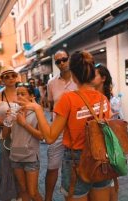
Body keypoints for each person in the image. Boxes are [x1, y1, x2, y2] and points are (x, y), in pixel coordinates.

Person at [16, 50, 112, 201]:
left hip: (77, 159)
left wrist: (38, 109)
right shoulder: (103, 99)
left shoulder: (68, 99)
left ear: (73, 74)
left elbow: (49, 137)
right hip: (101, 158)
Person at [45, 49, 77, 201]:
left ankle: (76, 195)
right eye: (58, 61)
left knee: (76, 165)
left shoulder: (79, 80)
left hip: (77, 130)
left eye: (64, 59)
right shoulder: (51, 83)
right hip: (58, 129)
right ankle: (48, 198)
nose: (62, 63)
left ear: (69, 59)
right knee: (52, 166)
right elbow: (51, 103)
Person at [3, 82, 44, 201]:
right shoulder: (13, 111)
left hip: (31, 156)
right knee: (23, 190)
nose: (20, 96)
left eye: (23, 94)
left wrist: (24, 124)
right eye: (18, 94)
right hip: (16, 155)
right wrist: (7, 121)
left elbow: (42, 136)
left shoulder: (37, 112)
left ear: (31, 97)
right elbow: (5, 135)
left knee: (33, 192)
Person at [0, 65, 20, 200]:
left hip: (23, 135)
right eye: (6, 76)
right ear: (2, 79)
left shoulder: (22, 92)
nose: (10, 78)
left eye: (12, 75)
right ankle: (6, 194)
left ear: (16, 76)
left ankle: (20, 194)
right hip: (5, 136)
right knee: (7, 165)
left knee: (21, 164)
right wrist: (8, 122)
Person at [91, 63, 120, 201]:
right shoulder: (89, 99)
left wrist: (109, 121)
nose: (90, 78)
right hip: (93, 147)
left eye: (94, 75)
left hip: (109, 146)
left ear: (103, 78)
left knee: (111, 179)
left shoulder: (112, 100)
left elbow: (120, 123)